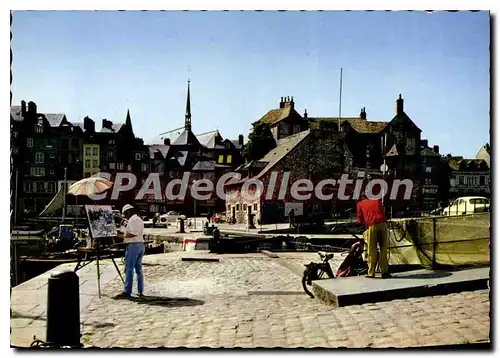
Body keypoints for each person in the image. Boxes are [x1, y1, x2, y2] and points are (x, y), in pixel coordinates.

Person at [356, 193, 391, 278]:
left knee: (372, 249)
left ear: (360, 198)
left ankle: (371, 272)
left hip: (372, 225)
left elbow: (359, 219)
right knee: (383, 249)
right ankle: (385, 272)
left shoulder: (360, 204)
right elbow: (382, 212)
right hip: (383, 225)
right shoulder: (377, 201)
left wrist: (360, 224)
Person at [116, 204, 145, 298]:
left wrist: (122, 236)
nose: (125, 216)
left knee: (129, 269)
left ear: (129, 211)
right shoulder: (138, 219)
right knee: (138, 270)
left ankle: (127, 291)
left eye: (125, 214)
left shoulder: (133, 219)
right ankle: (140, 290)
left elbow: (133, 233)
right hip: (140, 245)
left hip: (133, 246)